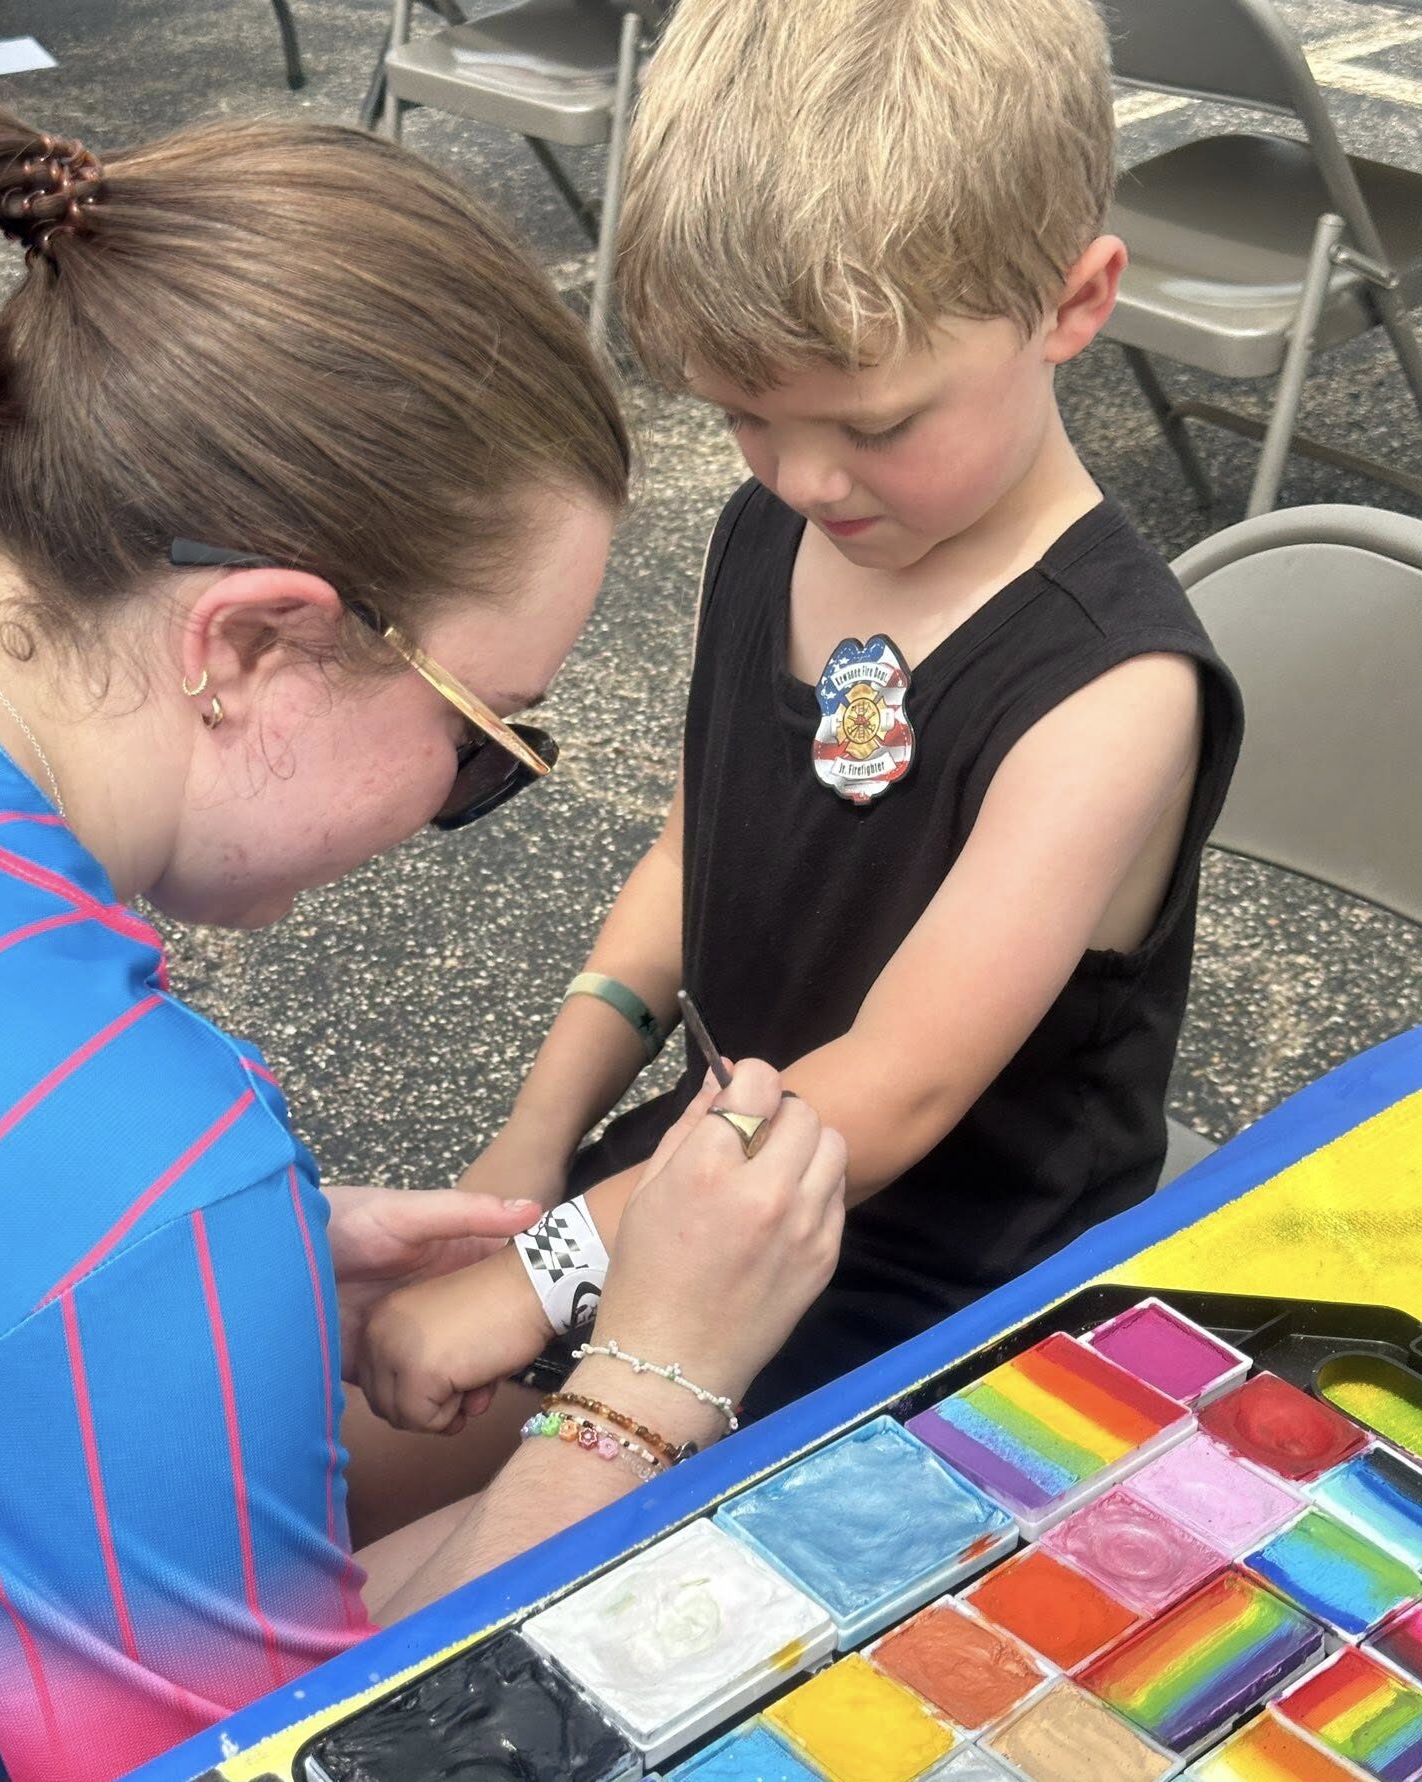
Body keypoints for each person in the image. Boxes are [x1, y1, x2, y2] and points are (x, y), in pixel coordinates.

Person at [0, 99, 846, 1782]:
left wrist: (223, 1280)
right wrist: (653, 1381)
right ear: (252, 643)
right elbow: (314, 1761)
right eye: (492, 735)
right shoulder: (130, 1188)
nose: (461, 799)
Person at [356, 0, 1243, 1430]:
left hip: (940, 1289)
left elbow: (896, 1085)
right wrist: (532, 1150)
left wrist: (549, 1271)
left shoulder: (1112, 691)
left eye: (878, 424)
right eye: (746, 416)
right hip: (709, 1176)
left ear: (1076, 303)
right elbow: (685, 863)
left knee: (459, 1593)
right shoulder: (770, 537)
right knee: (331, 1460)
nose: (807, 479)